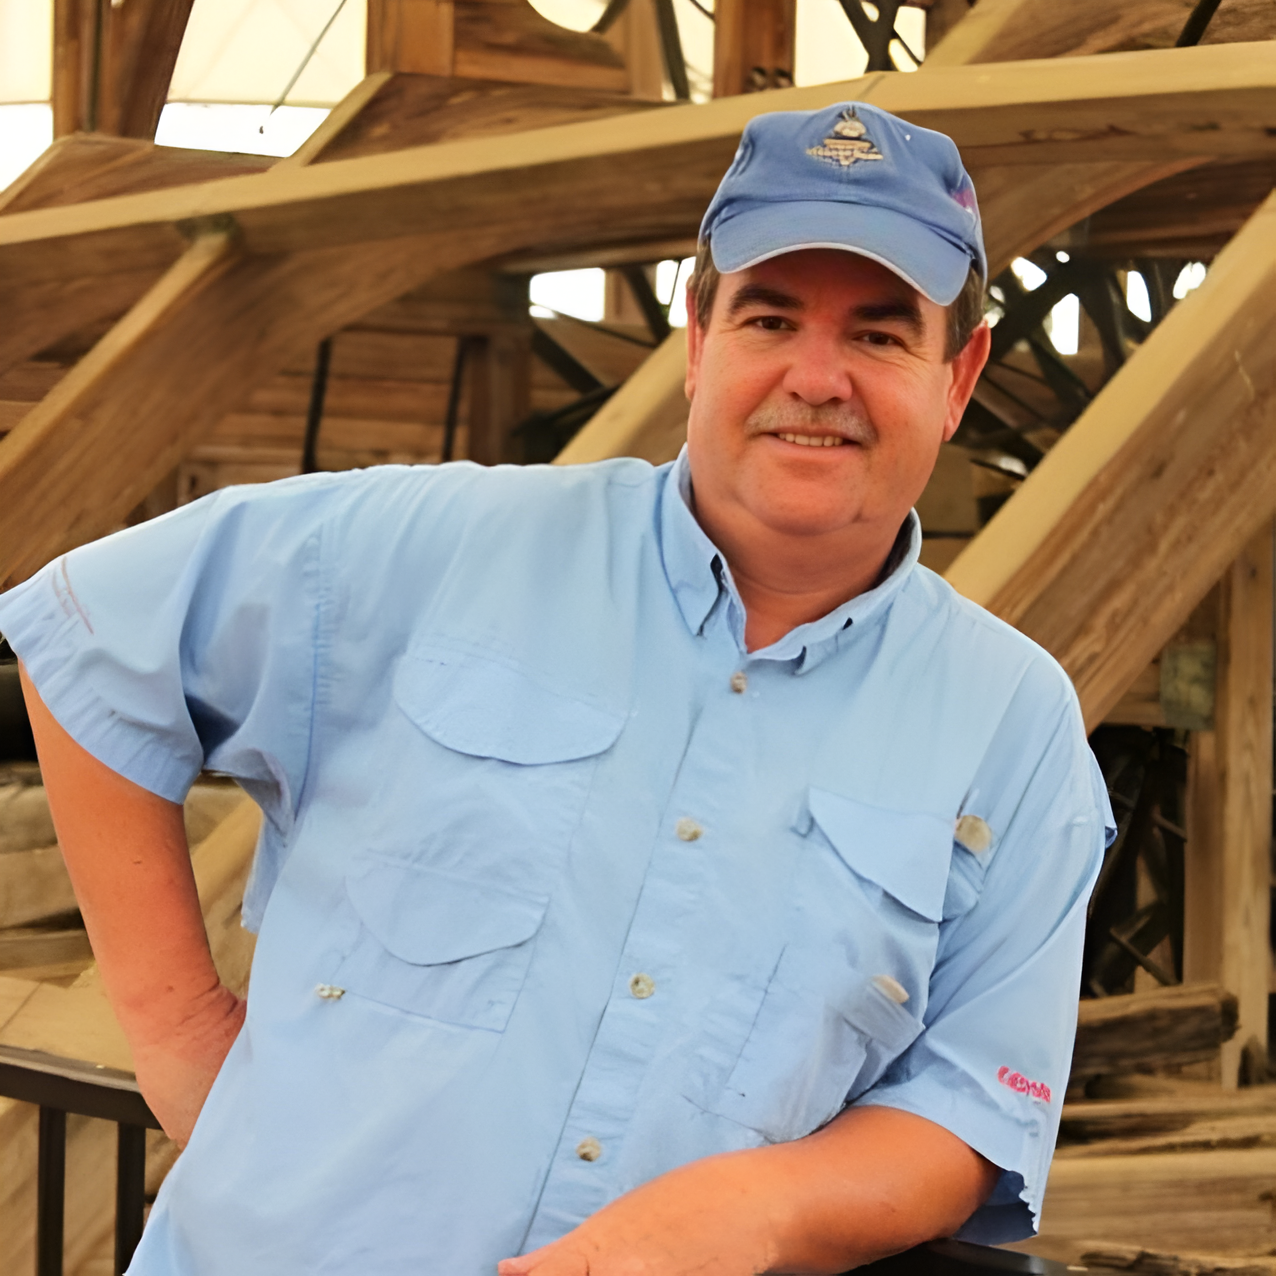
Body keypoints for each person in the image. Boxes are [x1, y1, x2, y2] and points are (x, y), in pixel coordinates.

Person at [1, 101, 1113, 1275]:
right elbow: (91, 637)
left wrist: (764, 1207)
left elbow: (971, 1107)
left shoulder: (1016, 728)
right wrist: (178, 1034)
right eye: (769, 316)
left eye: (882, 336)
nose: (816, 376)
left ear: (959, 375)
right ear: (698, 340)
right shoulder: (438, 546)